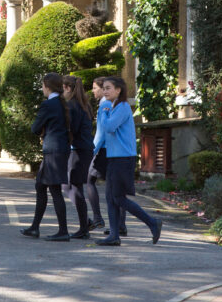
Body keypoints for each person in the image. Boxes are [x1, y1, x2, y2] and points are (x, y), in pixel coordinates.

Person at [94, 76, 163, 247]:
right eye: (104, 88)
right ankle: (114, 235)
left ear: (118, 90)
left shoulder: (122, 107)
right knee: (111, 198)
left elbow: (109, 127)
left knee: (118, 198)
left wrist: (102, 113)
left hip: (123, 158)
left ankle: (152, 222)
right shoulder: (114, 107)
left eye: (108, 88)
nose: (105, 91)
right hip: (114, 157)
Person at [20, 72, 71, 242]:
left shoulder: (48, 105)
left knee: (55, 190)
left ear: (47, 87)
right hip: (59, 150)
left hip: (53, 151)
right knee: (41, 186)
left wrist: (42, 129)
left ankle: (63, 231)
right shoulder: (62, 104)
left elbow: (35, 128)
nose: (42, 89)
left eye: (42, 86)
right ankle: (35, 227)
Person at [85, 77, 126, 235]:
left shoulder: (105, 104)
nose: (93, 91)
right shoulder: (110, 104)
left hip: (105, 150)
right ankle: (119, 225)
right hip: (110, 150)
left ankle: (99, 218)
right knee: (115, 188)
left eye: (95, 88)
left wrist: (92, 150)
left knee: (91, 181)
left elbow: (102, 133)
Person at [61, 75, 94, 239]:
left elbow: (71, 129)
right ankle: (85, 222)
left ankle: (84, 228)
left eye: (62, 89)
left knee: (75, 186)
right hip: (83, 149)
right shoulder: (83, 104)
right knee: (68, 184)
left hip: (79, 150)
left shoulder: (73, 106)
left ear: (67, 88)